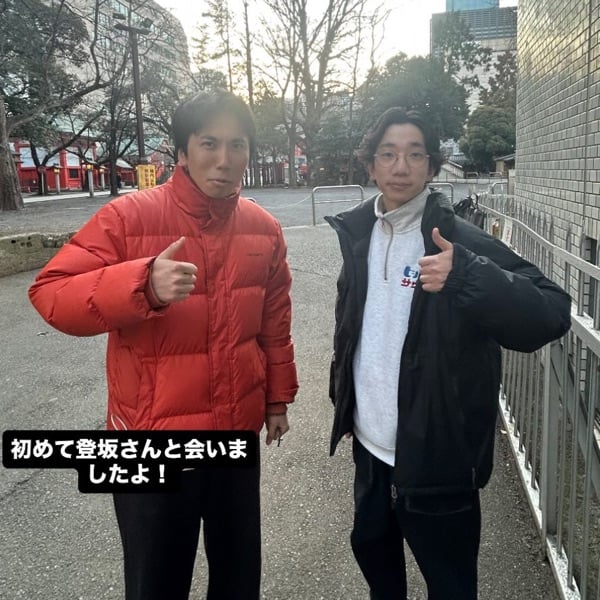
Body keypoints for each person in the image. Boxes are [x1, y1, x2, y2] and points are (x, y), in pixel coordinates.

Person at [29, 91, 298, 600]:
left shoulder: (264, 228)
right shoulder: (128, 217)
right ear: (182, 152)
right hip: (148, 439)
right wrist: (142, 286)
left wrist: (276, 399)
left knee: (239, 577)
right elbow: (50, 292)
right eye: (209, 143)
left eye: (237, 144)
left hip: (233, 434)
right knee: (155, 583)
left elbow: (274, 322)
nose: (224, 159)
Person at [325, 107, 571, 600]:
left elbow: (551, 312)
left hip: (439, 459)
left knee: (451, 585)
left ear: (432, 166)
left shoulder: (457, 240)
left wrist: (467, 275)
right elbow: (352, 327)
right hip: (370, 449)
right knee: (377, 567)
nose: (401, 166)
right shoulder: (360, 233)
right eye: (388, 154)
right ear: (370, 165)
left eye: (415, 155)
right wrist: (345, 401)